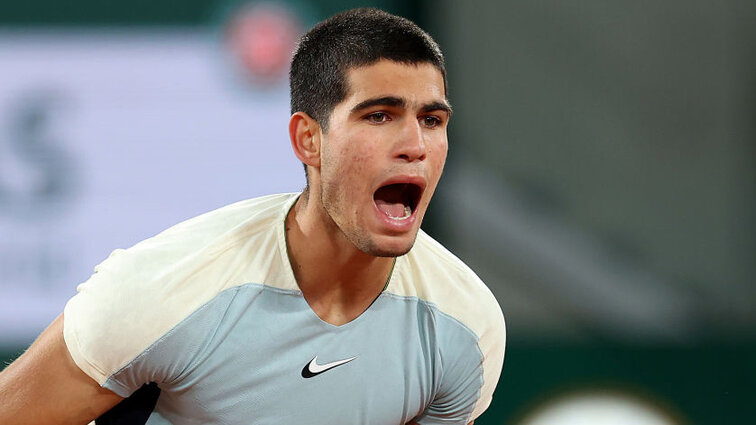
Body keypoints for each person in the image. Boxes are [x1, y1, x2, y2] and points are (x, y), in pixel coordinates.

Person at [0, 8, 505, 425]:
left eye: (432, 120)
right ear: (309, 140)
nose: (415, 145)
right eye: (379, 115)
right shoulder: (163, 293)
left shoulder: (465, 328)